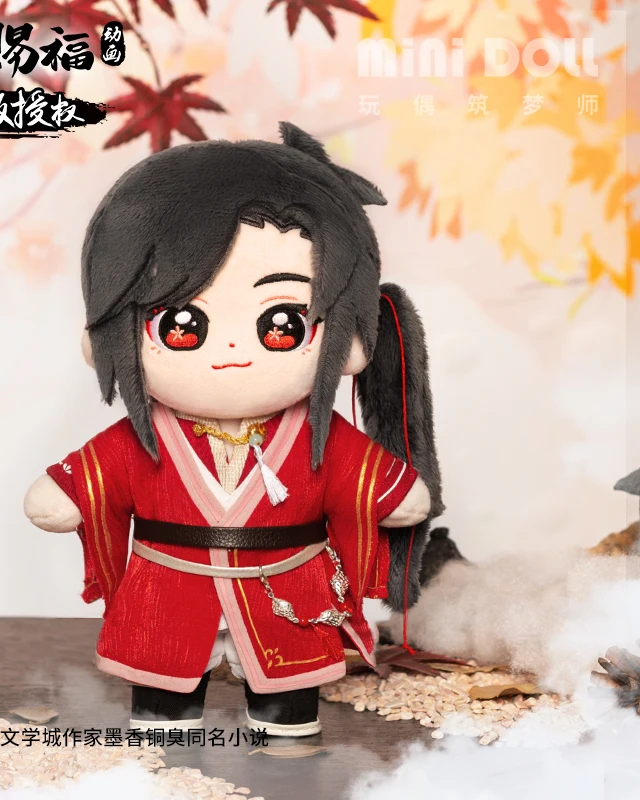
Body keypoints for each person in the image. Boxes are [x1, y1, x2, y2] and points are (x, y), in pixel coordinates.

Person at [24, 123, 442, 737]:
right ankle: (167, 738)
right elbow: (79, 486)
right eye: (181, 324)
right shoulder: (141, 439)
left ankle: (285, 736)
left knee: (288, 721)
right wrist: (64, 497)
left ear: (351, 342)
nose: (230, 351)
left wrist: (397, 495)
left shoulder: (318, 437)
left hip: (287, 592)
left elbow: (383, 489)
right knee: (163, 722)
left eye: (282, 324)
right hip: (166, 591)